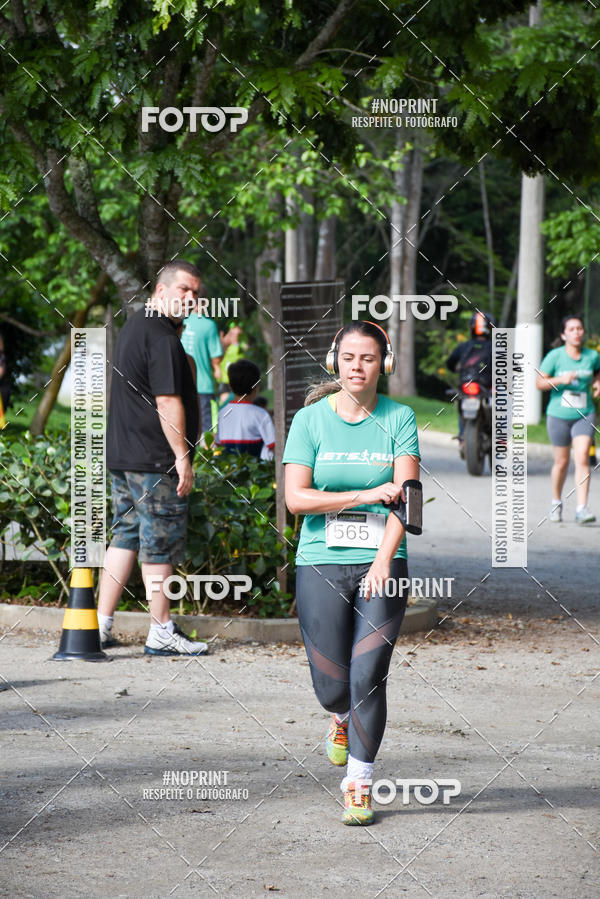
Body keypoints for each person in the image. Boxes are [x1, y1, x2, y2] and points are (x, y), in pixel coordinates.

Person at [283, 321, 420, 826]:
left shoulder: (400, 417)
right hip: (320, 559)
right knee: (332, 687)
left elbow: (409, 500)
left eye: (367, 358)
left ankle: (358, 784)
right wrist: (364, 495)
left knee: (368, 676)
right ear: (334, 361)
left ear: (384, 364)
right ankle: (339, 717)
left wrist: (384, 560)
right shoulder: (310, 420)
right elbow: (296, 499)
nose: (357, 367)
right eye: (348, 357)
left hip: (383, 561)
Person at [97, 260, 208, 655]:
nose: (190, 298)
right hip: (155, 459)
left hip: (125, 456)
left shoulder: (135, 326)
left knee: (125, 536)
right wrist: (182, 455)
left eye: (195, 293)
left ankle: (100, 625)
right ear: (161, 291)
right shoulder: (161, 336)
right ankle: (161, 630)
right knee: (159, 543)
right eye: (183, 290)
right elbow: (166, 401)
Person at [536, 314, 600, 524]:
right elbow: (539, 383)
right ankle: (556, 502)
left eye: (579, 328)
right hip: (558, 415)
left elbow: (597, 373)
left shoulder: (592, 356)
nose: (576, 332)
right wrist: (560, 379)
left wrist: (598, 382)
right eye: (571, 329)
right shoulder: (555, 356)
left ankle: (582, 509)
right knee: (561, 462)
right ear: (564, 335)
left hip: (584, 413)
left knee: (582, 458)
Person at [446, 311, 494, 448]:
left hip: (466, 385)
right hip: (488, 386)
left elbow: (450, 363)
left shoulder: (464, 346)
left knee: (463, 404)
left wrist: (456, 369)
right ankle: (500, 438)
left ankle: (462, 438)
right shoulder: (496, 347)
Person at [181, 294, 223, 439]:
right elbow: (216, 357)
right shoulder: (208, 325)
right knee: (208, 431)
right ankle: (207, 452)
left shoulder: (179, 322)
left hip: (180, 387)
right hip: (203, 387)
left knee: (185, 429)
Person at [215, 360, 275, 460]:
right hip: (256, 468)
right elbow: (274, 447)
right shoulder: (261, 414)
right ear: (256, 387)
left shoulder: (221, 414)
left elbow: (218, 445)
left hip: (227, 467)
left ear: (230, 386)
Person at [217, 324, 246, 402]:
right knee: (225, 402)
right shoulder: (224, 346)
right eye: (233, 334)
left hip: (237, 379)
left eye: (238, 334)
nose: (235, 336)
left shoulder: (241, 346)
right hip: (225, 379)